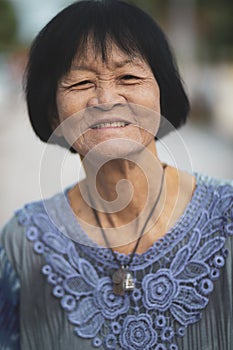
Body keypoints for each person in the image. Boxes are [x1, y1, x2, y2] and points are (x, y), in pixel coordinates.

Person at [0, 1, 232, 349]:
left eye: (128, 77)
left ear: (161, 96)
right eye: (81, 83)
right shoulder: (22, 245)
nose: (106, 98)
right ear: (53, 114)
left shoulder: (226, 220)